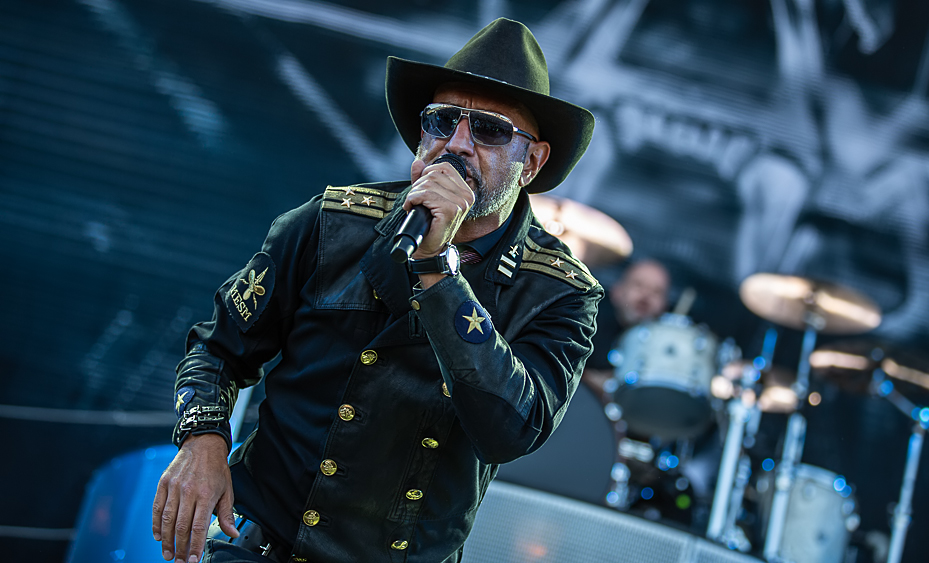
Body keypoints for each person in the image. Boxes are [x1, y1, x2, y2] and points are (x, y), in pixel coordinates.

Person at [151, 18, 603, 563]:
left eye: (489, 130)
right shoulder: (331, 223)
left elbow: (512, 430)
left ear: (531, 162)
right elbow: (217, 349)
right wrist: (202, 439)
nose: (457, 144)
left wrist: (438, 268)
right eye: (442, 121)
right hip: (262, 548)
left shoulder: (561, 292)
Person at [581, 259, 670, 395]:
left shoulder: (666, 347)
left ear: (665, 306)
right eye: (638, 285)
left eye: (656, 292)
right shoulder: (586, 322)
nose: (646, 296)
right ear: (617, 291)